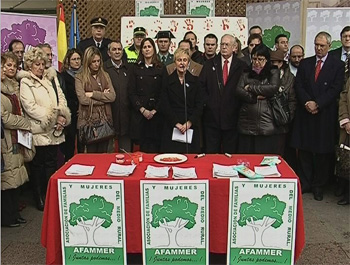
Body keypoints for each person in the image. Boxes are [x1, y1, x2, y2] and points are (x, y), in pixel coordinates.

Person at [291, 32, 345, 201]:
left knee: (322, 153)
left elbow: (335, 89)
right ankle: (305, 183)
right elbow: (298, 85)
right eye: (316, 45)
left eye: (322, 45)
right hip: (306, 113)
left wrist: (318, 104)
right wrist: (307, 101)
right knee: (305, 151)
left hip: (324, 113)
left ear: (329, 46)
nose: (319, 48)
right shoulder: (306, 64)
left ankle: (319, 186)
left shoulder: (337, 65)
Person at [19, 47, 71, 211]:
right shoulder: (26, 82)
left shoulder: (52, 77)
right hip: (39, 129)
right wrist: (52, 118)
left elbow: (61, 97)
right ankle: (39, 197)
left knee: (52, 162)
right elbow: (30, 106)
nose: (41, 67)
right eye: (37, 64)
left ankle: (50, 196)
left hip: (55, 129)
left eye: (43, 64)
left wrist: (62, 115)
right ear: (29, 65)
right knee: (38, 165)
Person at [199, 34, 247, 153]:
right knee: (211, 153)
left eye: (227, 44)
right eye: (222, 44)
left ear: (234, 47)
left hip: (232, 118)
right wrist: (208, 103)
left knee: (229, 154)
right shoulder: (209, 64)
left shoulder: (242, 66)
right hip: (212, 118)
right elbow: (201, 87)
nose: (224, 47)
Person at [1, 53, 31, 227]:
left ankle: (14, 213)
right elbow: (4, 118)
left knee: (15, 176)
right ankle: (7, 217)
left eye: (13, 66)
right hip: (5, 138)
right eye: (6, 66)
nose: (9, 69)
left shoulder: (12, 86)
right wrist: (24, 123)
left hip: (14, 138)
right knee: (7, 179)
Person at [236, 45, 282, 154]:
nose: (257, 62)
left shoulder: (273, 72)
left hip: (265, 121)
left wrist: (251, 88)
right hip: (246, 121)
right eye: (254, 59)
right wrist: (254, 97)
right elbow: (238, 90)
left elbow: (272, 88)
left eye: (260, 59)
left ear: (266, 59)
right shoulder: (246, 72)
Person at [160, 48, 203, 153]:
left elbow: (200, 105)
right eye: (179, 60)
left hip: (190, 125)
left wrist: (189, 122)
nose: (182, 63)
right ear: (175, 62)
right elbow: (165, 104)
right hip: (172, 125)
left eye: (185, 60)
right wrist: (176, 123)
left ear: (188, 63)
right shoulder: (167, 81)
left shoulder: (195, 81)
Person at [75, 46, 116, 153]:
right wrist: (103, 98)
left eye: (98, 61)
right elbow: (83, 100)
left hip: (105, 120)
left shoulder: (105, 75)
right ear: (87, 62)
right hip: (88, 122)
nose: (96, 64)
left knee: (104, 156)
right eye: (93, 61)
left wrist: (93, 94)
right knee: (89, 157)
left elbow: (112, 97)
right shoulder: (80, 77)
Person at [128, 38, 163, 152]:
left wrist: (154, 110)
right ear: (141, 50)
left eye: (149, 46)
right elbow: (131, 92)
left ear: (154, 48)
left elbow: (164, 92)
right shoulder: (135, 68)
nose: (147, 49)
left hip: (156, 115)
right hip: (140, 115)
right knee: (142, 149)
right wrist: (142, 110)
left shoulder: (161, 68)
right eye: (144, 47)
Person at [104, 41, 132, 152]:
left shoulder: (129, 68)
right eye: (114, 49)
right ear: (109, 53)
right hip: (109, 115)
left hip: (126, 116)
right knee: (108, 154)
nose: (117, 52)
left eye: (119, 49)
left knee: (125, 154)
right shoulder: (103, 68)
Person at [270, 50, 297, 157]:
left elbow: (292, 100)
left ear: (282, 63)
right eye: (271, 62)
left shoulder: (290, 78)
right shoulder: (264, 75)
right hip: (266, 121)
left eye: (276, 62)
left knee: (279, 153)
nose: (273, 65)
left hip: (282, 121)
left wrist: (287, 117)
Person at [60, 48, 83, 160]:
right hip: (70, 114)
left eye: (78, 59)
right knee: (69, 144)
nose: (77, 61)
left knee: (82, 143)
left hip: (83, 113)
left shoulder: (85, 74)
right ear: (68, 61)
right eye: (74, 59)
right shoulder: (63, 76)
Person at [337, 78, 350, 205]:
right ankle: (347, 194)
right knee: (347, 161)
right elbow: (344, 98)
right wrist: (345, 119)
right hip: (348, 126)